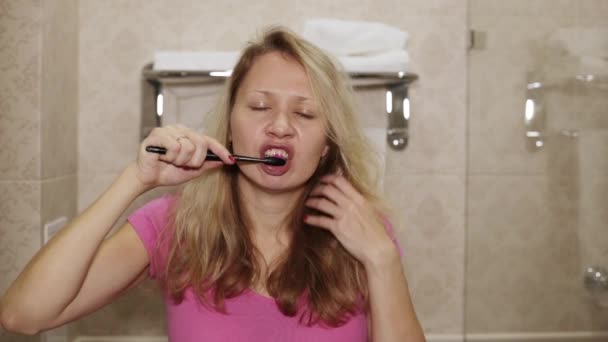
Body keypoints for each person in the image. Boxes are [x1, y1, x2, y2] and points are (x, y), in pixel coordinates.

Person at [0, 27, 425, 342]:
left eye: (305, 114)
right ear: (230, 127)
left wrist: (382, 259)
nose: (279, 126)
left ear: (327, 145)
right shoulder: (175, 223)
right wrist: (135, 181)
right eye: (259, 106)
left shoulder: (364, 234)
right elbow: (22, 315)